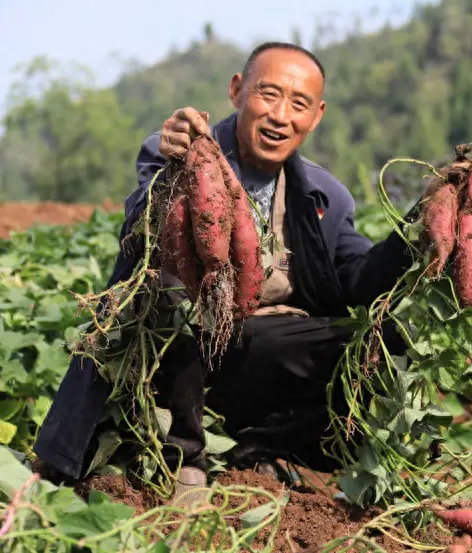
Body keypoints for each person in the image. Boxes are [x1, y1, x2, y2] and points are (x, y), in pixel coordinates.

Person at [32, 41, 428, 504]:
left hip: (256, 348)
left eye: (298, 104)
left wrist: (417, 231)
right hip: (176, 356)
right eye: (268, 94)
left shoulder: (326, 195)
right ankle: (186, 461)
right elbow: (139, 227)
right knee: (176, 296)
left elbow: (358, 281)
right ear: (237, 91)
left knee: (384, 338)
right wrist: (176, 171)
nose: (281, 116)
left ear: (316, 116)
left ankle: (268, 446)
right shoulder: (174, 152)